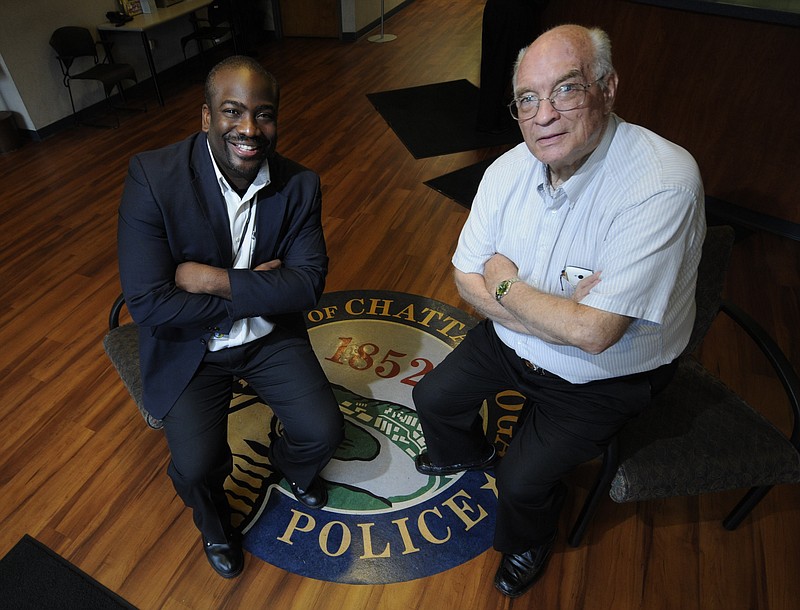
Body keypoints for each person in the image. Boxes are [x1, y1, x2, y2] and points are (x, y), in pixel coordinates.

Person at [413, 25, 705, 598]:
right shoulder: (505, 170)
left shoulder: (663, 183)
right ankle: (463, 453)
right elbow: (462, 277)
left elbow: (594, 336)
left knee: (520, 484)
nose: (543, 115)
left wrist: (504, 287)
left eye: (566, 90)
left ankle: (529, 540)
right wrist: (547, 314)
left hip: (607, 373)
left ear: (608, 87)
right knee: (432, 398)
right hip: (515, 341)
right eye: (527, 98)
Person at [117, 56, 344, 579]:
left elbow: (307, 285)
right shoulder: (153, 177)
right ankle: (215, 523)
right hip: (188, 344)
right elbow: (149, 303)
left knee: (323, 431)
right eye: (232, 111)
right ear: (205, 117)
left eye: (263, 114)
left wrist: (210, 279)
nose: (249, 129)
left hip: (267, 337)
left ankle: (286, 466)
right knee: (197, 466)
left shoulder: (301, 184)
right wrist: (263, 286)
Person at [476, 0, 549, 133]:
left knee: (494, 65)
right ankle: (489, 120)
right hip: (514, 12)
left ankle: (489, 117)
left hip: (500, 9)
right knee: (501, 67)